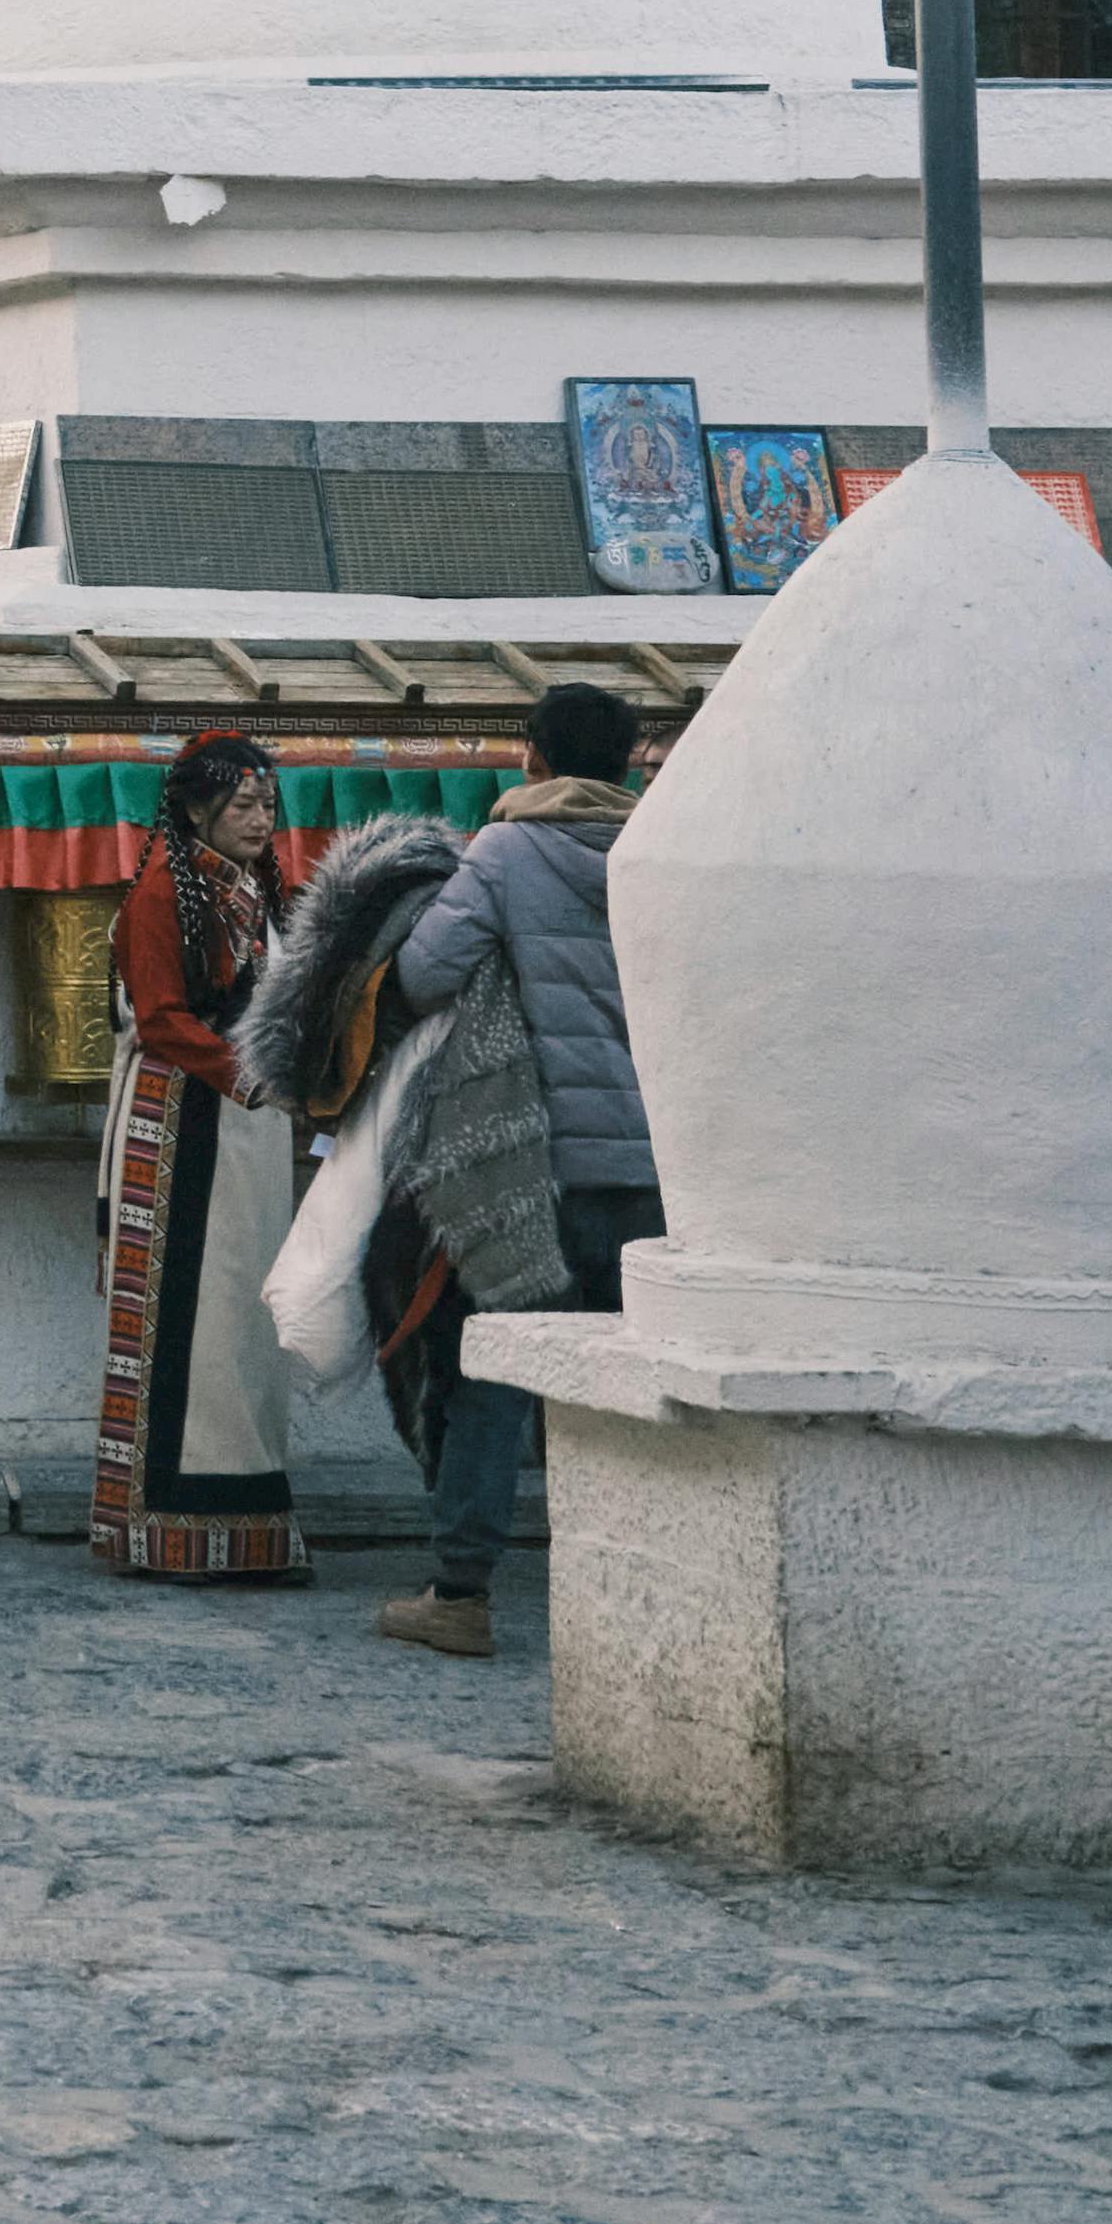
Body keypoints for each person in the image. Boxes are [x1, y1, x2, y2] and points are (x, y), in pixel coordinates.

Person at [371, 682, 664, 1659]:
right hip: (653, 1164)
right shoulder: (663, 854)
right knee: (635, 1379)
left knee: (496, 1369)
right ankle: (655, 1591)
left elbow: (421, 973)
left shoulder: (501, 852)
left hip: (534, 1166)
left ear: (530, 758)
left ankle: (460, 1595)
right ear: (627, 764)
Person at [86, 726, 318, 1585]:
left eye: (268, 802)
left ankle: (246, 1521)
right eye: (243, 803)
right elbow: (162, 1022)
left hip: (244, 1122)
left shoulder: (253, 891)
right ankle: (173, 1527)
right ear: (195, 808)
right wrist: (260, 1076)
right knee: (193, 1320)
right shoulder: (160, 896)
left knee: (246, 1320)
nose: (261, 819)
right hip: (180, 1122)